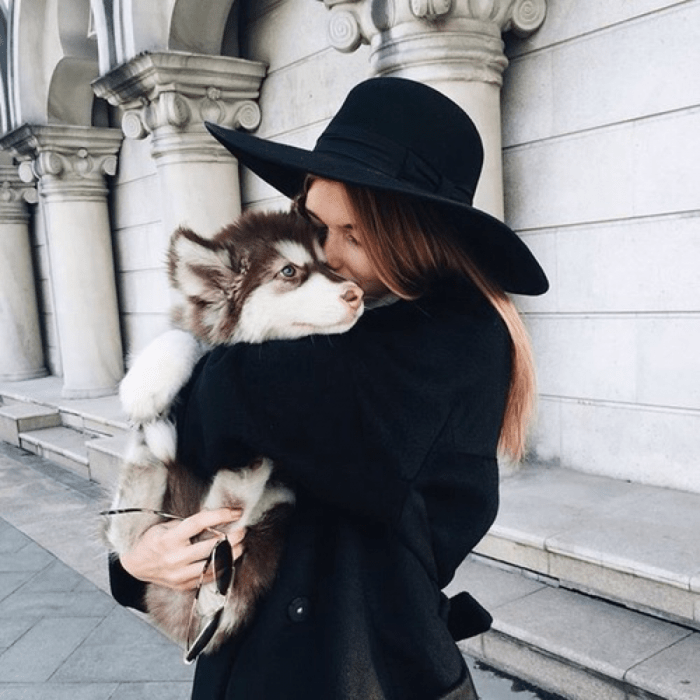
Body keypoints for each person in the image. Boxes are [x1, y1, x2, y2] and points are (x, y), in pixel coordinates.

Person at [107, 77, 548, 699]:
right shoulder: (332, 324)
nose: (328, 258)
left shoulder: (457, 337)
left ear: (415, 242)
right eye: (315, 225)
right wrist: (136, 558)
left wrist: (191, 357)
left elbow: (231, 399)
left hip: (370, 671)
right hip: (249, 668)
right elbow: (181, 454)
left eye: (358, 235)